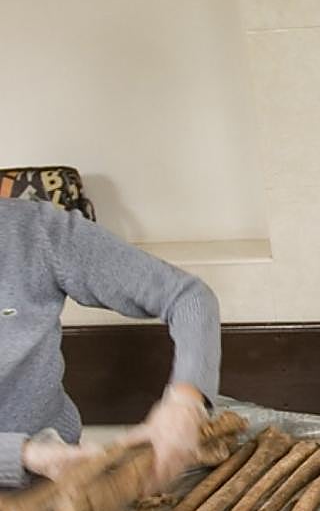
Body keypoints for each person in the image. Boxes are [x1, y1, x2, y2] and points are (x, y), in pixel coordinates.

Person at [0, 197, 221, 488]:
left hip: (59, 489)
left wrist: (186, 401)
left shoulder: (35, 230)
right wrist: (22, 455)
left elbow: (188, 297)